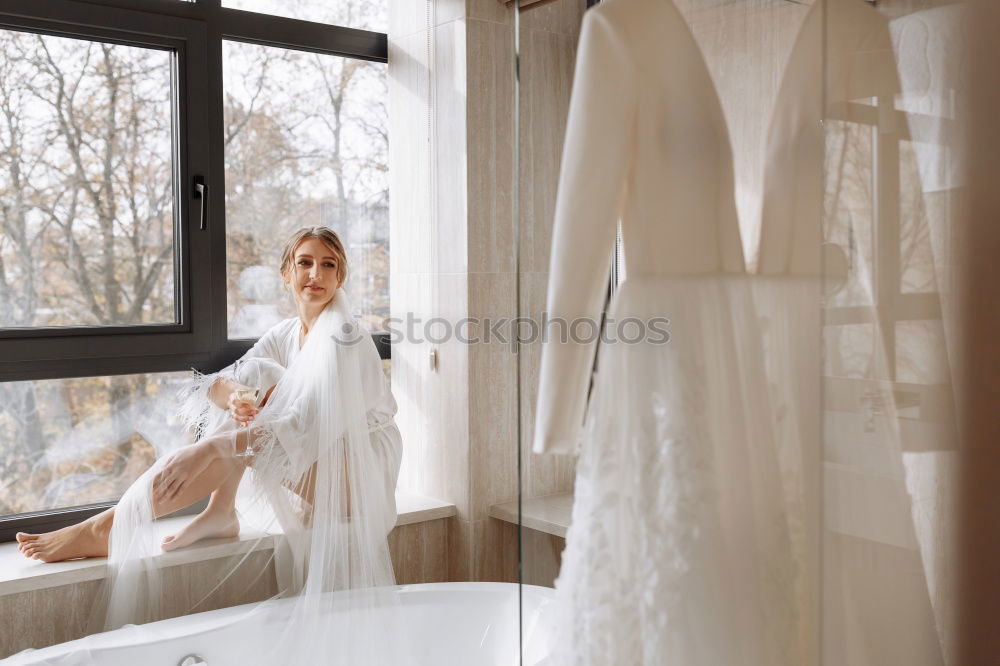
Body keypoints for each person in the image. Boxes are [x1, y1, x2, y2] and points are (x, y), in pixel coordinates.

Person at [14, 226, 402, 580]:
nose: (315, 274)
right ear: (286, 274)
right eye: (305, 263)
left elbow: (301, 427)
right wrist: (237, 399)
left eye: (328, 265)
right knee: (253, 377)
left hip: (361, 476)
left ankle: (110, 527)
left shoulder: (343, 337)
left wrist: (207, 449)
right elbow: (219, 382)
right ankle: (216, 511)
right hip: (321, 459)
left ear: (340, 277)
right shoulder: (286, 332)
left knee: (250, 418)